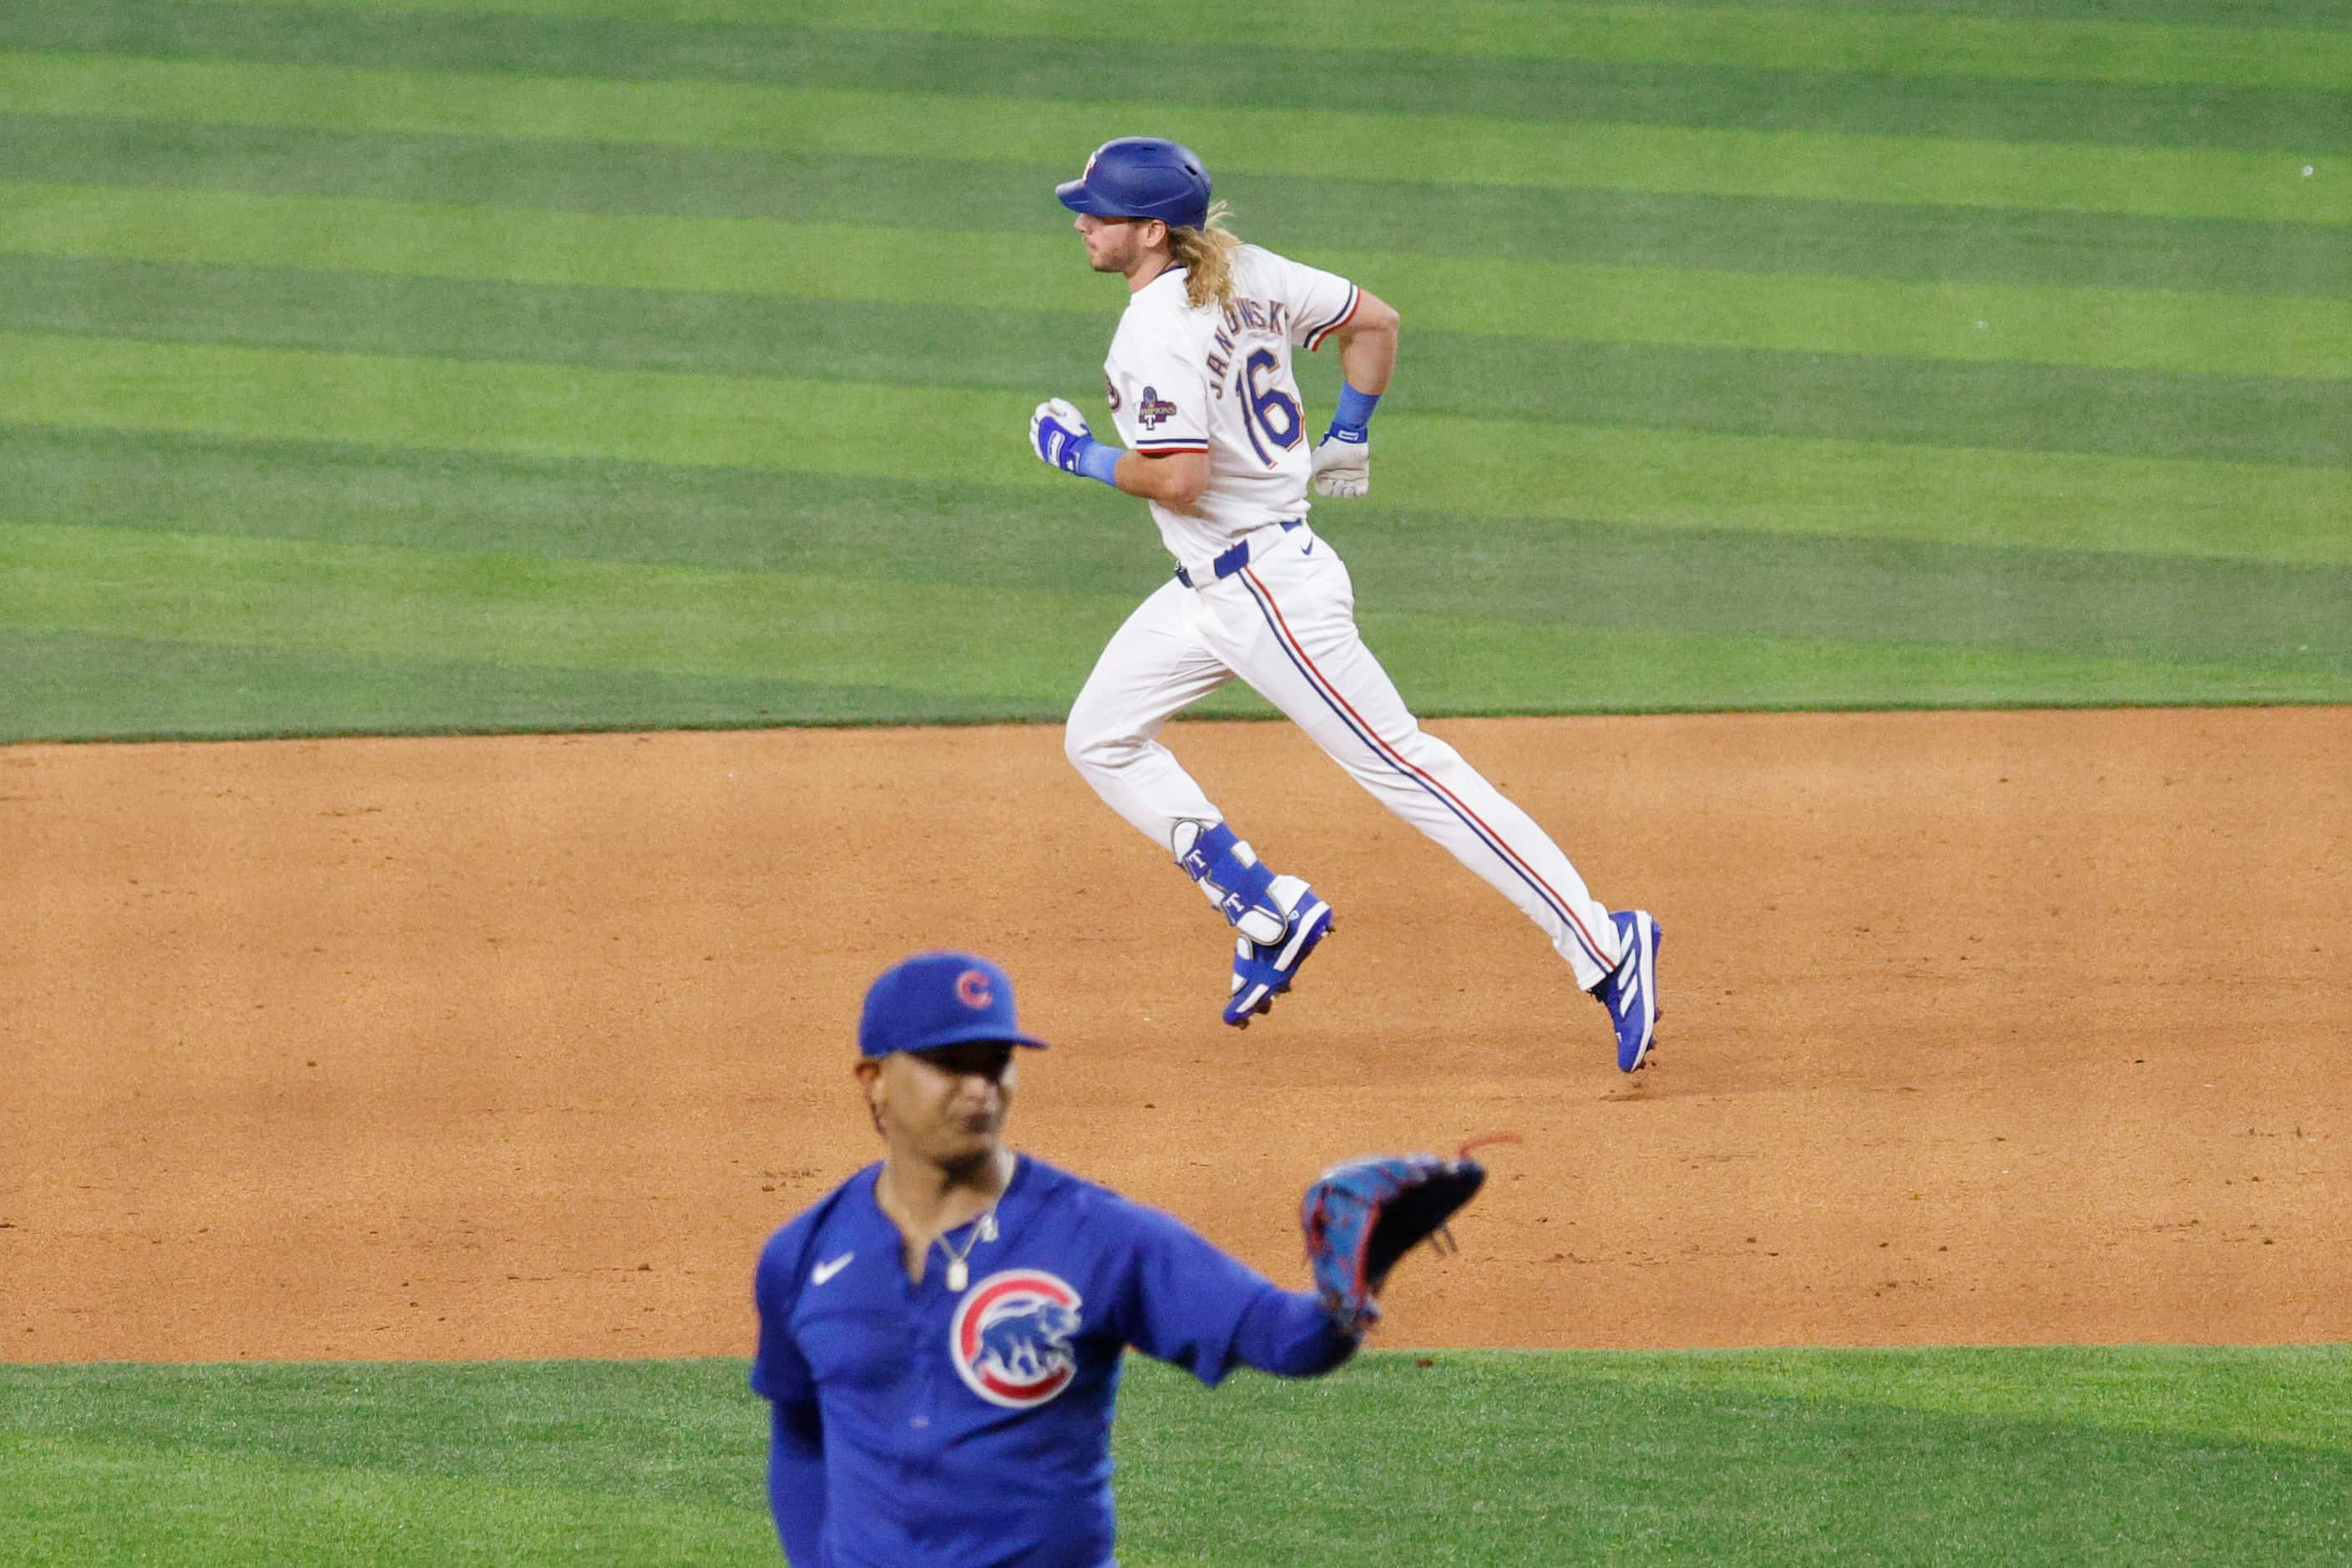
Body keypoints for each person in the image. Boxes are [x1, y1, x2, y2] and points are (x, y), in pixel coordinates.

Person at [1027, 136, 1662, 1070]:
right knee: (1101, 734)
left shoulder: (1152, 330)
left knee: (1413, 771)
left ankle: (1606, 947)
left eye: (1101, 211)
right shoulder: (1248, 269)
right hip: (1217, 588)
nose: (1082, 221)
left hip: (1268, 597)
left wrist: (1071, 452)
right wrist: (1347, 435)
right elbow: (1378, 324)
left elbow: (1180, 480)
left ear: (1152, 233)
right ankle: (1264, 909)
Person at [750, 951, 1365, 1567]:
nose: (979, 1089)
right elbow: (800, 1437)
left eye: (996, 1064)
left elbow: (1288, 1339)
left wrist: (1357, 1271)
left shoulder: (1097, 1234)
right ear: (873, 1078)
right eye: (949, 1064)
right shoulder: (802, 1254)